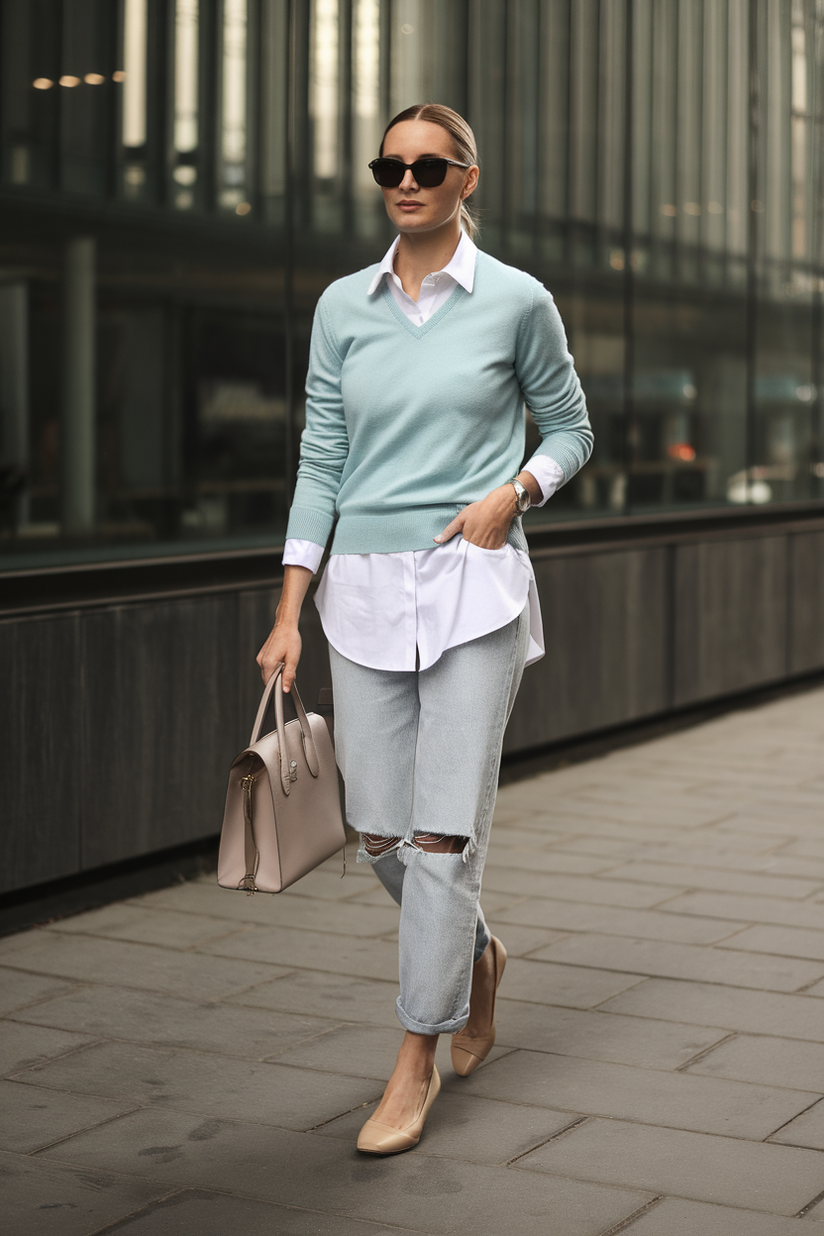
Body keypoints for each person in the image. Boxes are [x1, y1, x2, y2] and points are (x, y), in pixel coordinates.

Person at [256, 102, 592, 1155]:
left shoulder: (516, 302)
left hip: (471, 587)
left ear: (465, 179)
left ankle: (412, 1058)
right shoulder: (340, 309)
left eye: (427, 165)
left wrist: (515, 492)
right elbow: (320, 458)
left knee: (444, 833)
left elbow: (572, 428)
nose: (405, 180)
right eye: (388, 165)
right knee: (379, 835)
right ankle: (475, 954)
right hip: (356, 591)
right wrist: (287, 612)